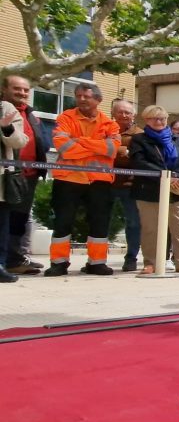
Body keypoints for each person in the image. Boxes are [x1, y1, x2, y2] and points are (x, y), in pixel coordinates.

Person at [44, 83, 121, 277]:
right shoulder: (66, 118)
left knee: (100, 222)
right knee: (63, 221)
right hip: (68, 178)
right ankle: (59, 263)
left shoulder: (110, 124)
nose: (81, 99)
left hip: (99, 181)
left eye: (86, 96)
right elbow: (65, 148)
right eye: (78, 96)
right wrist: (98, 146)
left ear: (98, 100)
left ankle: (97, 263)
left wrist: (79, 141)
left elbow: (112, 149)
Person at [130, 108, 179, 275]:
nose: (159, 122)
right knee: (150, 229)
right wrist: (165, 176)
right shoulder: (139, 139)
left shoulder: (178, 139)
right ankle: (151, 263)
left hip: (175, 190)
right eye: (154, 119)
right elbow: (139, 162)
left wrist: (178, 176)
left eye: (162, 118)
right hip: (148, 190)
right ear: (146, 120)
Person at [3, 75, 53, 275]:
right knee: (6, 217)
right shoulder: (3, 110)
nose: (22, 93)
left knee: (19, 219)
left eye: (25, 90)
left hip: (29, 175)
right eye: (17, 89)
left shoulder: (31, 114)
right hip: (7, 174)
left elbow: (42, 140)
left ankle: (15, 259)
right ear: (4, 89)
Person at [108, 98, 143, 271]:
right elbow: (97, 151)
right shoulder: (104, 129)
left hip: (130, 185)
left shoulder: (140, 134)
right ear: (113, 113)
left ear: (133, 114)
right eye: (120, 112)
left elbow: (140, 158)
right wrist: (124, 151)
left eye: (127, 112)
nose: (124, 115)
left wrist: (114, 151)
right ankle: (96, 259)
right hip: (105, 183)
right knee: (101, 222)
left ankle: (131, 258)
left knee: (134, 223)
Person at [0, 100, 29, 282]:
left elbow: (20, 141)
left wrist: (6, 127)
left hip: (2, 182)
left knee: (2, 227)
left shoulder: (5, 109)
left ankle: (0, 265)